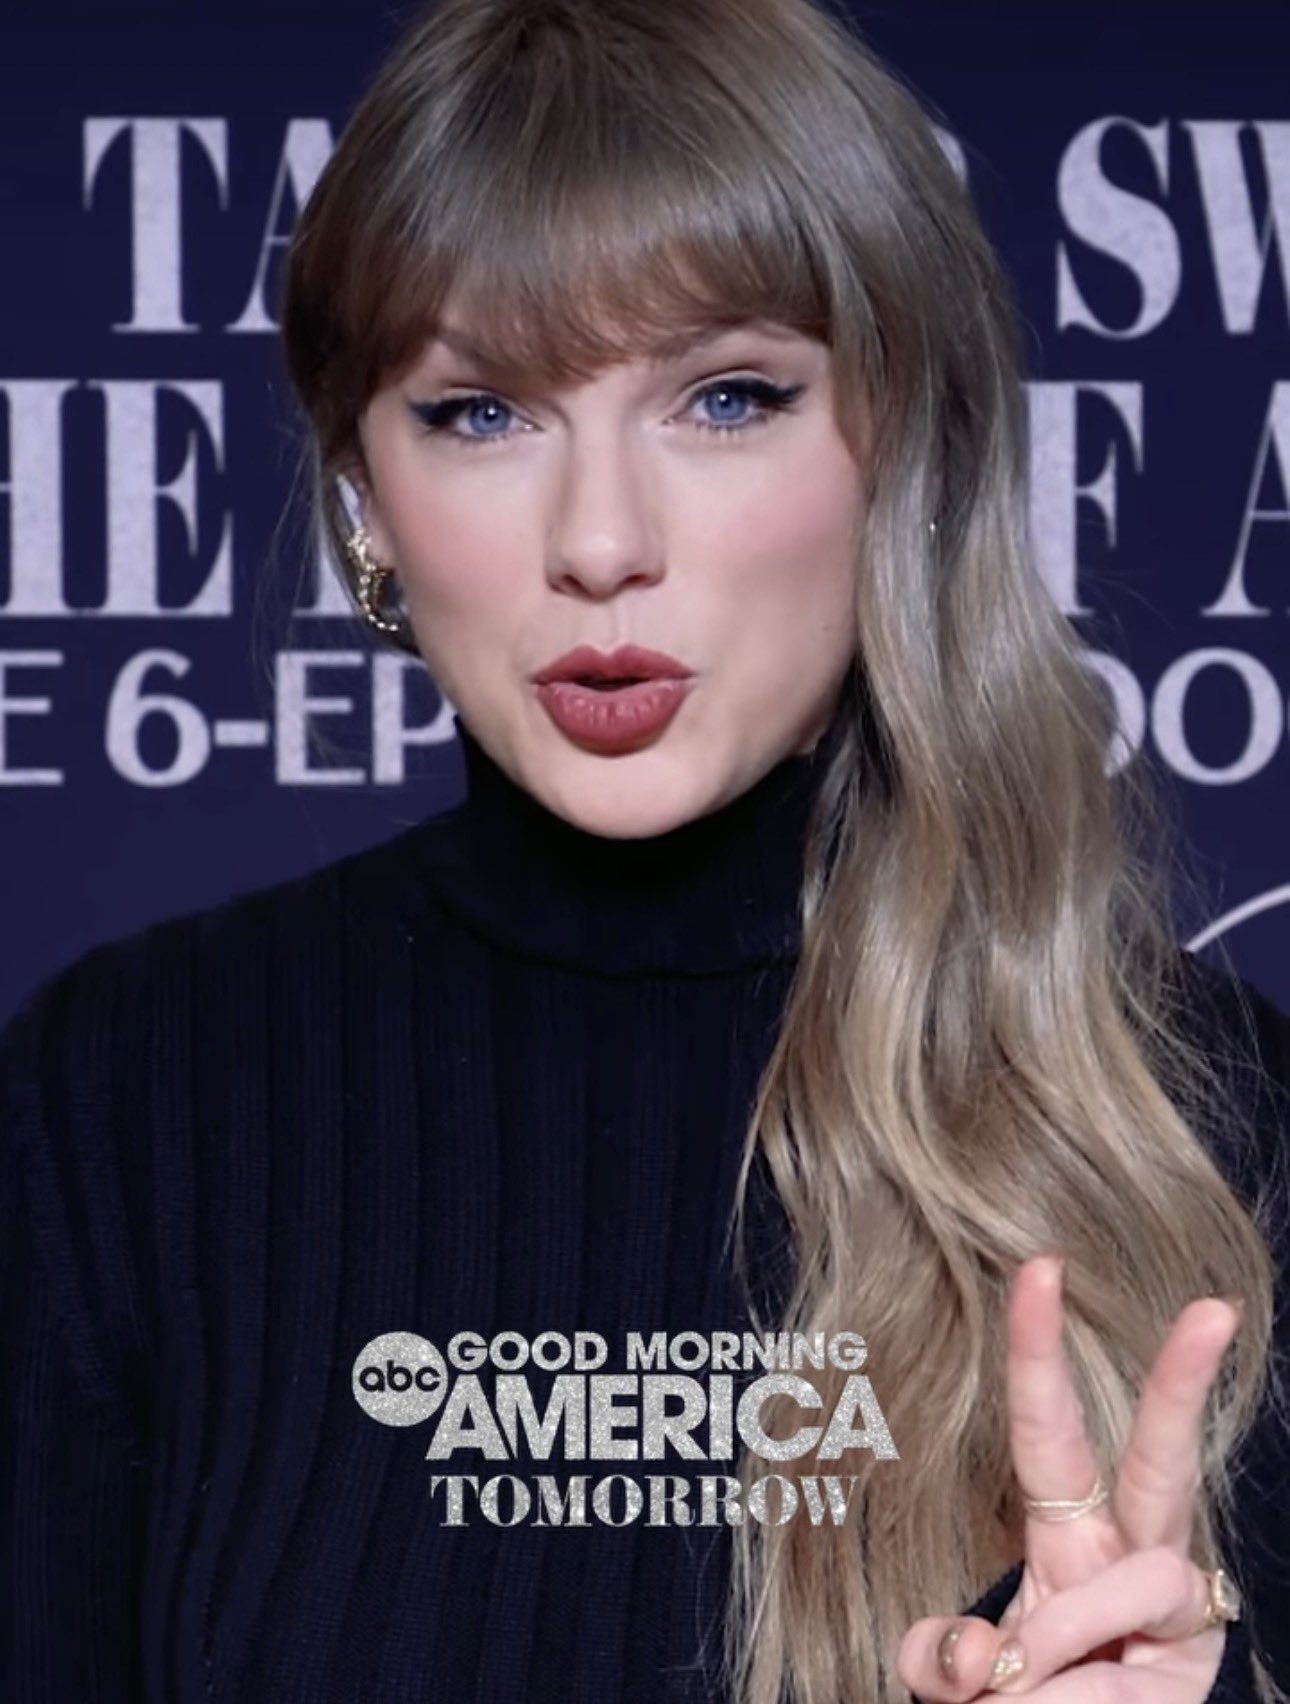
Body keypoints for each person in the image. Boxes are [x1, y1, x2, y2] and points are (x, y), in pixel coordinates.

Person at [2, 0, 1288, 1701]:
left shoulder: (1205, 1129)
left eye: (726, 397)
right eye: (479, 413)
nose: (600, 542)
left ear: (902, 441)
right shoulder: (121, 1094)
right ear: (362, 492)